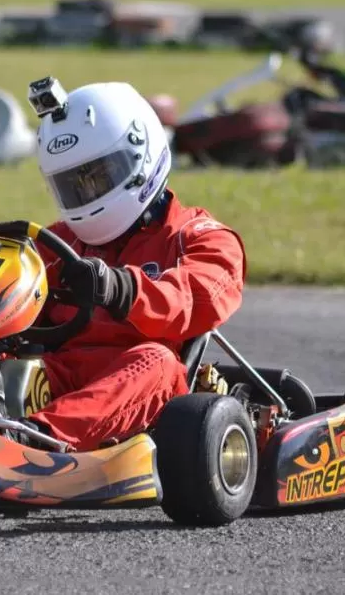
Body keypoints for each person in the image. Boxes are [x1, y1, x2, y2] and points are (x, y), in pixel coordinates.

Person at [16, 78, 247, 452]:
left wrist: (120, 287)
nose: (87, 194)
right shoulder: (58, 243)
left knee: (157, 362)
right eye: (74, 184)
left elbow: (198, 297)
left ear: (139, 154)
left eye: (98, 177)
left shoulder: (201, 236)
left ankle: (35, 441)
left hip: (141, 383)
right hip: (58, 371)